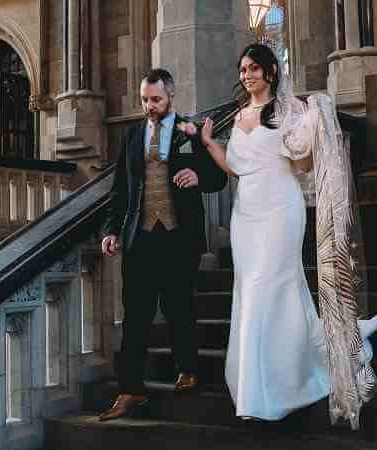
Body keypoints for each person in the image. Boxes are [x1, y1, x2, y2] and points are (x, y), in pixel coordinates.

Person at [198, 43, 377, 429]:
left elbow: (303, 166)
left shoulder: (289, 111)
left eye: (253, 68)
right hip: (245, 214)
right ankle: (258, 385)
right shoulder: (239, 115)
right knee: (250, 293)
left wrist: (313, 127)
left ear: (269, 72)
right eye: (243, 69)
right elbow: (236, 168)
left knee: (271, 287)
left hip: (281, 208)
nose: (246, 75)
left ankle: (284, 383)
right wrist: (210, 144)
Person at [98, 68, 228, 422]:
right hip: (139, 237)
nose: (149, 106)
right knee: (136, 317)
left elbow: (218, 177)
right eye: (144, 100)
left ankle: (188, 368)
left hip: (178, 236)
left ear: (171, 96)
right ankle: (129, 391)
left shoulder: (191, 131)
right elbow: (120, 189)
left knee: (179, 308)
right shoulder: (132, 135)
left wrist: (198, 175)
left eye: (155, 99)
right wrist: (111, 230)